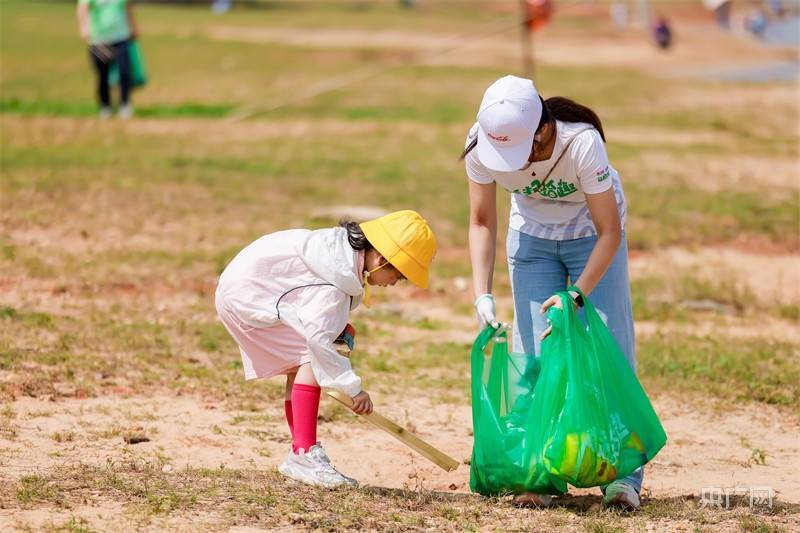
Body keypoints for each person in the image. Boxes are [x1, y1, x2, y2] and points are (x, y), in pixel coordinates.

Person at [462, 75, 641, 510]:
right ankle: (540, 474)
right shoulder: (480, 142)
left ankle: (622, 478)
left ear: (542, 130)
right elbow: (482, 221)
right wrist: (481, 293)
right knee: (532, 357)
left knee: (608, 352)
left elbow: (609, 231)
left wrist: (577, 295)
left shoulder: (581, 145)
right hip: (532, 243)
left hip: (590, 239)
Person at [215, 210, 436, 488]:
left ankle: (301, 452)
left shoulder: (338, 255)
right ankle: (304, 455)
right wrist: (352, 388)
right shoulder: (334, 282)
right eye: (399, 275)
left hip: (244, 290)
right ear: (381, 260)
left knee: (302, 363)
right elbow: (321, 341)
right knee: (310, 359)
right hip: (247, 298)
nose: (394, 283)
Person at [76, 0, 138, 119]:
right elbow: (82, 8)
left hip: (121, 38)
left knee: (125, 72)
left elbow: (127, 7)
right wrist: (84, 27)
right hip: (98, 40)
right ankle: (105, 107)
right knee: (102, 76)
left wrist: (133, 27)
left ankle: (125, 105)